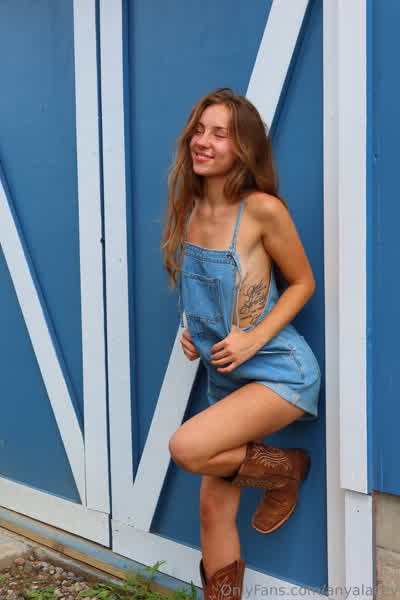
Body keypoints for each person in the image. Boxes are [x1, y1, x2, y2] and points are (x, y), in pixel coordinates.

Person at [161, 88, 321, 600]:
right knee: (213, 511)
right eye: (199, 130)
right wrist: (194, 328)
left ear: (243, 147)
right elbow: (211, 292)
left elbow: (302, 284)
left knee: (187, 447)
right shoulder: (189, 209)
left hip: (279, 371)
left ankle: (286, 470)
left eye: (220, 134)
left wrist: (252, 340)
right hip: (226, 379)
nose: (203, 142)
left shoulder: (261, 210)